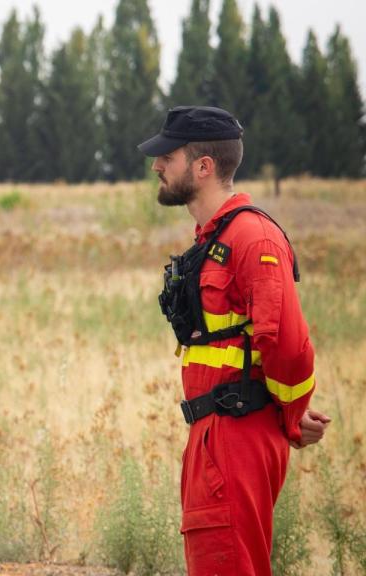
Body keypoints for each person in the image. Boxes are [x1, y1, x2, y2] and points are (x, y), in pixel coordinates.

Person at [139, 106, 331, 575]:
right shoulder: (215, 236)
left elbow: (287, 345)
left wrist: (289, 417)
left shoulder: (252, 238)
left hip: (236, 433)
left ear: (203, 167)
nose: (156, 165)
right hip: (213, 432)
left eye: (168, 155)